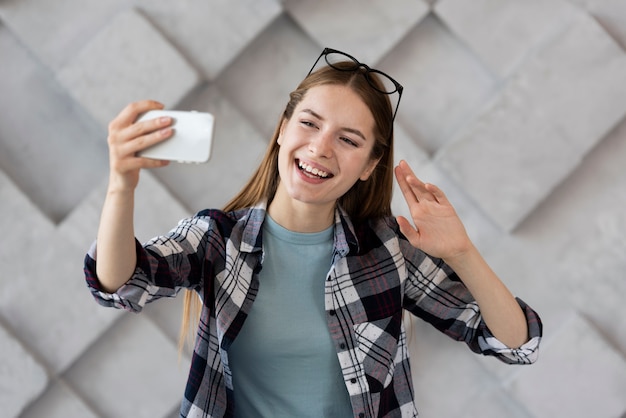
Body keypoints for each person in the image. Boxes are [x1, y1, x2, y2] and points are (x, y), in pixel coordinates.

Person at [84, 47, 542, 418]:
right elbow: (122, 284)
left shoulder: (387, 251)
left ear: (369, 166)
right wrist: (121, 184)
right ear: (283, 131)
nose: (320, 148)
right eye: (309, 123)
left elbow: (516, 343)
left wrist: (462, 253)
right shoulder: (218, 240)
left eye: (349, 139)